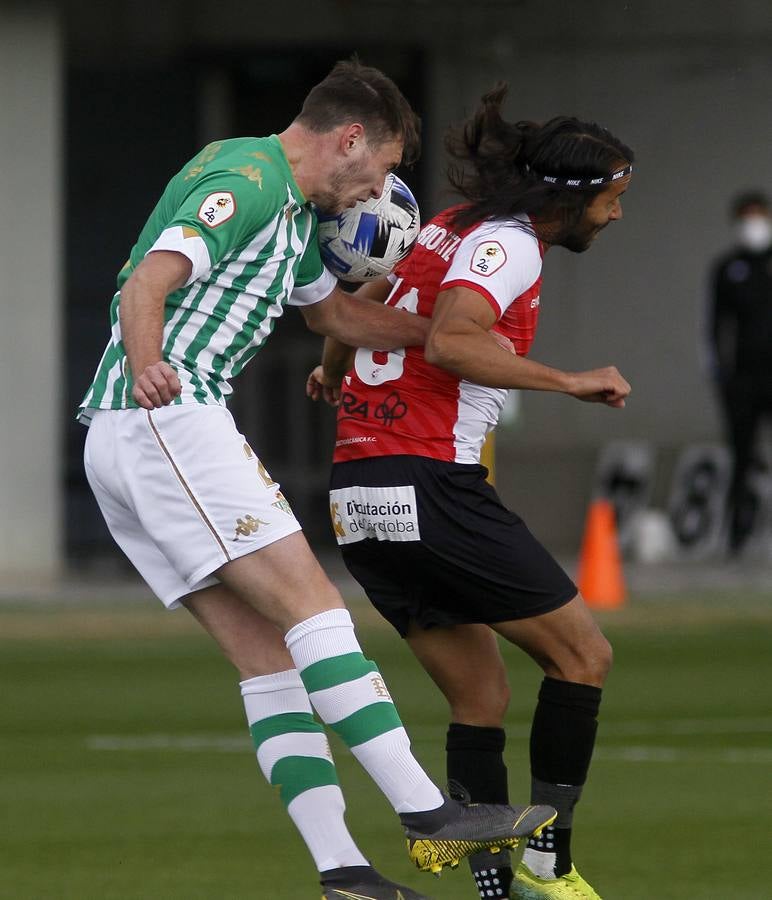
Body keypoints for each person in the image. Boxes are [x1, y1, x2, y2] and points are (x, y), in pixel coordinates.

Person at [76, 61, 555, 900]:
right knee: (317, 612)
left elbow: (333, 314)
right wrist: (152, 367)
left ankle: (343, 871)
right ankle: (424, 811)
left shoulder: (295, 214)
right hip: (169, 418)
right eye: (377, 172)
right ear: (348, 141)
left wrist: (437, 333)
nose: (376, 193)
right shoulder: (249, 178)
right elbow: (150, 279)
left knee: (268, 660)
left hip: (130, 439)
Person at [308, 84, 634, 899]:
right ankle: (547, 865)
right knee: (583, 656)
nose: (616, 215)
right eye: (613, 200)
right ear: (573, 198)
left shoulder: (444, 227)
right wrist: (570, 381)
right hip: (428, 481)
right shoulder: (510, 242)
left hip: (360, 494)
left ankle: (492, 887)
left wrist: (331, 368)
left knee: (480, 695)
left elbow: (363, 302)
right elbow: (452, 340)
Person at [707, 190, 772, 554]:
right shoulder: (728, 269)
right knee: (742, 457)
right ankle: (738, 536)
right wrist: (723, 378)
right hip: (744, 380)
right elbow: (715, 327)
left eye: (758, 216)